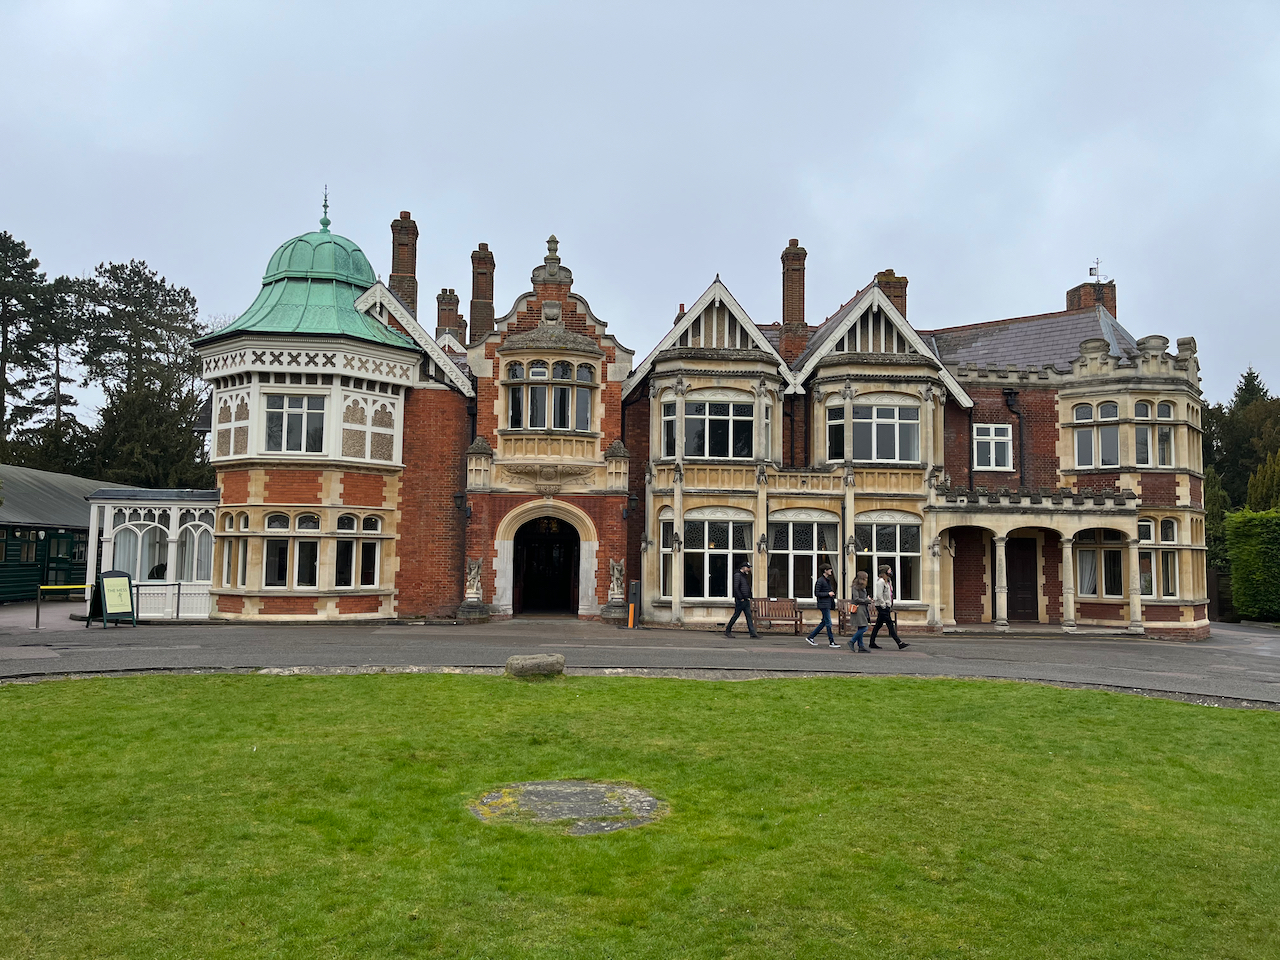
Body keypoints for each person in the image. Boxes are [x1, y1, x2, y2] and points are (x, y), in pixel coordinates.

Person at [868, 564, 909, 649]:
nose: (891, 572)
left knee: (878, 625)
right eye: (889, 570)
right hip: (882, 606)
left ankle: (872, 642)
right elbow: (879, 595)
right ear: (885, 572)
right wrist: (883, 605)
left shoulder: (888, 582)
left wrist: (889, 604)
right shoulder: (881, 582)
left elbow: (889, 594)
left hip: (886, 605)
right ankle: (899, 642)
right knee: (890, 624)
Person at [724, 560, 759, 639]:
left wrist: (750, 596)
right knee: (736, 615)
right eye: (748, 568)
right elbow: (736, 588)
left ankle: (752, 633)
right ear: (743, 568)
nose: (749, 569)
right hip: (741, 600)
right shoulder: (738, 575)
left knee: (749, 616)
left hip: (746, 599)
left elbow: (746, 587)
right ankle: (727, 630)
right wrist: (741, 598)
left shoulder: (744, 576)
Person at [806, 563, 839, 647]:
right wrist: (828, 593)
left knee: (824, 622)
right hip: (823, 604)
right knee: (828, 623)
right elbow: (817, 593)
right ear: (825, 571)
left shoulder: (827, 580)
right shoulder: (820, 580)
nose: (831, 570)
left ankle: (811, 637)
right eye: (829, 569)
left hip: (827, 604)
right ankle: (831, 642)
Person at [847, 570, 871, 652]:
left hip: (863, 609)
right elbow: (856, 599)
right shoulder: (855, 587)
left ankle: (861, 646)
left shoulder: (862, 587)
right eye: (865, 578)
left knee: (861, 627)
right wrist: (867, 600)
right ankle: (852, 641)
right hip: (858, 609)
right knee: (864, 627)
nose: (866, 580)